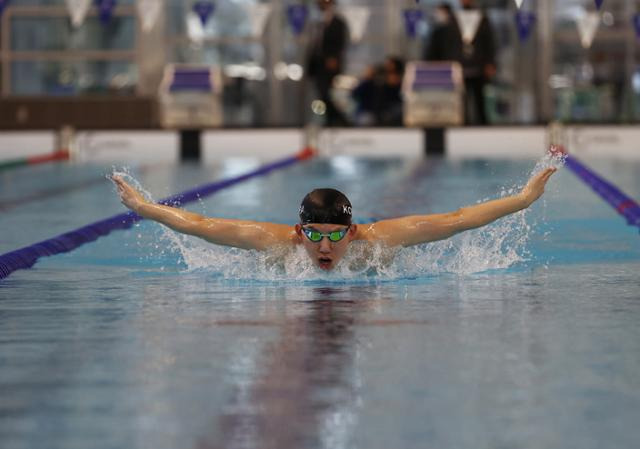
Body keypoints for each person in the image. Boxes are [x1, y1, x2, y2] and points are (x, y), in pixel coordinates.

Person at [111, 167, 556, 272]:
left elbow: (458, 219)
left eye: (335, 236)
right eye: (315, 237)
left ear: (354, 231)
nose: (325, 248)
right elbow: (203, 226)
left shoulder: (378, 243)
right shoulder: (277, 244)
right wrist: (145, 208)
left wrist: (523, 198)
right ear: (299, 231)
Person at [306, 0, 350, 126]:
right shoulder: (316, 22)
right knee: (321, 92)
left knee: (326, 92)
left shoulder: (338, 22)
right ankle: (332, 118)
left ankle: (339, 118)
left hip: (329, 64)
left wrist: (334, 57)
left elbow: (340, 42)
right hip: (317, 63)